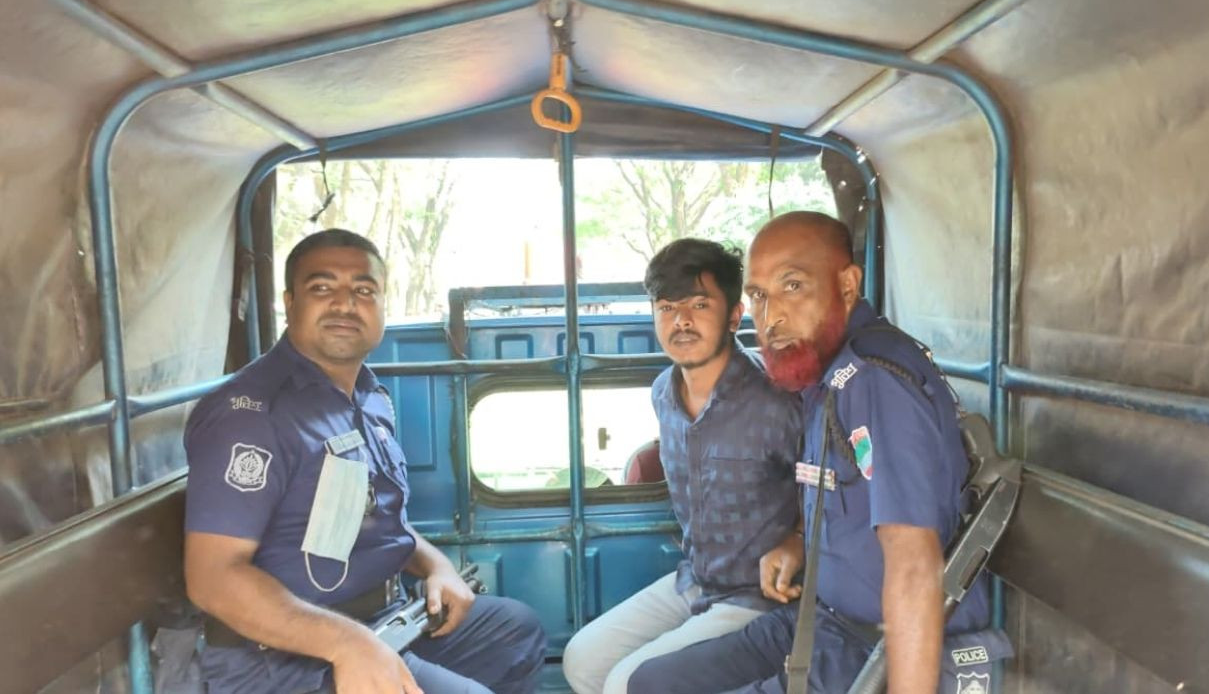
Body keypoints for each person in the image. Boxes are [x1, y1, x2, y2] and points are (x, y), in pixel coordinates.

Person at [628, 212, 1009, 693]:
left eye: (793, 286)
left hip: (876, 647)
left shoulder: (874, 381)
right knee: (651, 684)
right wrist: (797, 541)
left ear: (847, 285)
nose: (772, 316)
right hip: (820, 619)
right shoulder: (821, 379)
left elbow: (914, 566)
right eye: (761, 295)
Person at [182, 229, 546, 694]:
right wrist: (347, 645)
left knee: (514, 633)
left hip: (382, 622)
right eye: (322, 288)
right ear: (290, 302)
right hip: (281, 659)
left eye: (363, 290)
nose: (344, 303)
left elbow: (369, 514)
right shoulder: (251, 414)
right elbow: (214, 578)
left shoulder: (367, 399)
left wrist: (438, 567)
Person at [562, 238, 803, 694]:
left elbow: (833, 492)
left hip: (760, 599)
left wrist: (799, 539)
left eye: (699, 304)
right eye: (668, 307)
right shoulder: (663, 394)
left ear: (734, 315)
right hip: (694, 580)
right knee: (582, 661)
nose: (682, 321)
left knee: (624, 685)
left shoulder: (778, 403)